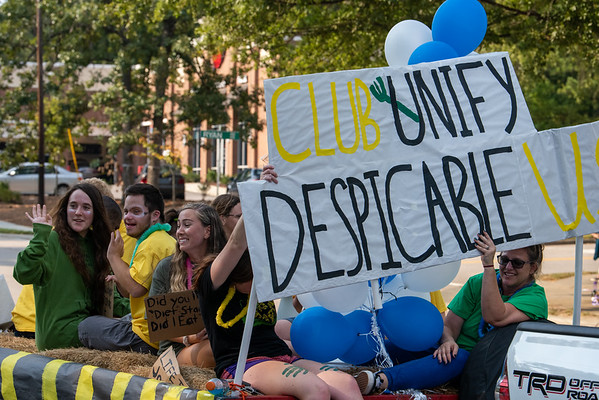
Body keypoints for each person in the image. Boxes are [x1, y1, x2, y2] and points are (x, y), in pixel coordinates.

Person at [355, 232, 548, 394]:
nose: (508, 267)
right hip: (449, 354)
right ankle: (350, 368)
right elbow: (449, 325)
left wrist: (489, 266)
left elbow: (495, 316)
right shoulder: (477, 282)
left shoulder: (535, 297)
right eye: (504, 260)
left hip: (482, 368)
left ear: (533, 267)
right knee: (403, 346)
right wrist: (448, 341)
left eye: (517, 263)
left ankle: (381, 381)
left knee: (460, 358)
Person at [195, 215, 362, 400]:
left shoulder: (262, 286)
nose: (263, 281)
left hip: (282, 356)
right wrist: (252, 204)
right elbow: (236, 244)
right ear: (238, 275)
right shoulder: (213, 285)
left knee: (346, 383)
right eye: (256, 276)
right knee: (315, 388)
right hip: (245, 364)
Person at [78, 183, 176, 354]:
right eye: (126, 211)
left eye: (136, 212)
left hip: (148, 337)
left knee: (86, 327)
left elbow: (135, 289)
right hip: (154, 326)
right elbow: (128, 291)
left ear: (155, 215)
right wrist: (120, 278)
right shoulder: (162, 238)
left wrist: (113, 256)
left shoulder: (151, 245)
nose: (127, 217)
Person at [13, 183, 112, 350]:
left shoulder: (98, 245)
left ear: (96, 213)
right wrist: (40, 236)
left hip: (87, 326)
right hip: (59, 334)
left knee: (128, 328)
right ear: (65, 210)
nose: (78, 212)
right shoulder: (52, 239)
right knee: (120, 332)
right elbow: (23, 274)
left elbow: (111, 296)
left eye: (86, 207)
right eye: (73, 206)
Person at [149, 202, 227, 367]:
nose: (179, 231)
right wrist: (190, 338)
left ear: (207, 231)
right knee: (218, 348)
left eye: (187, 225)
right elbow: (156, 322)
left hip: (220, 337)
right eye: (179, 226)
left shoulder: (225, 266)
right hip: (177, 349)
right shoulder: (166, 267)